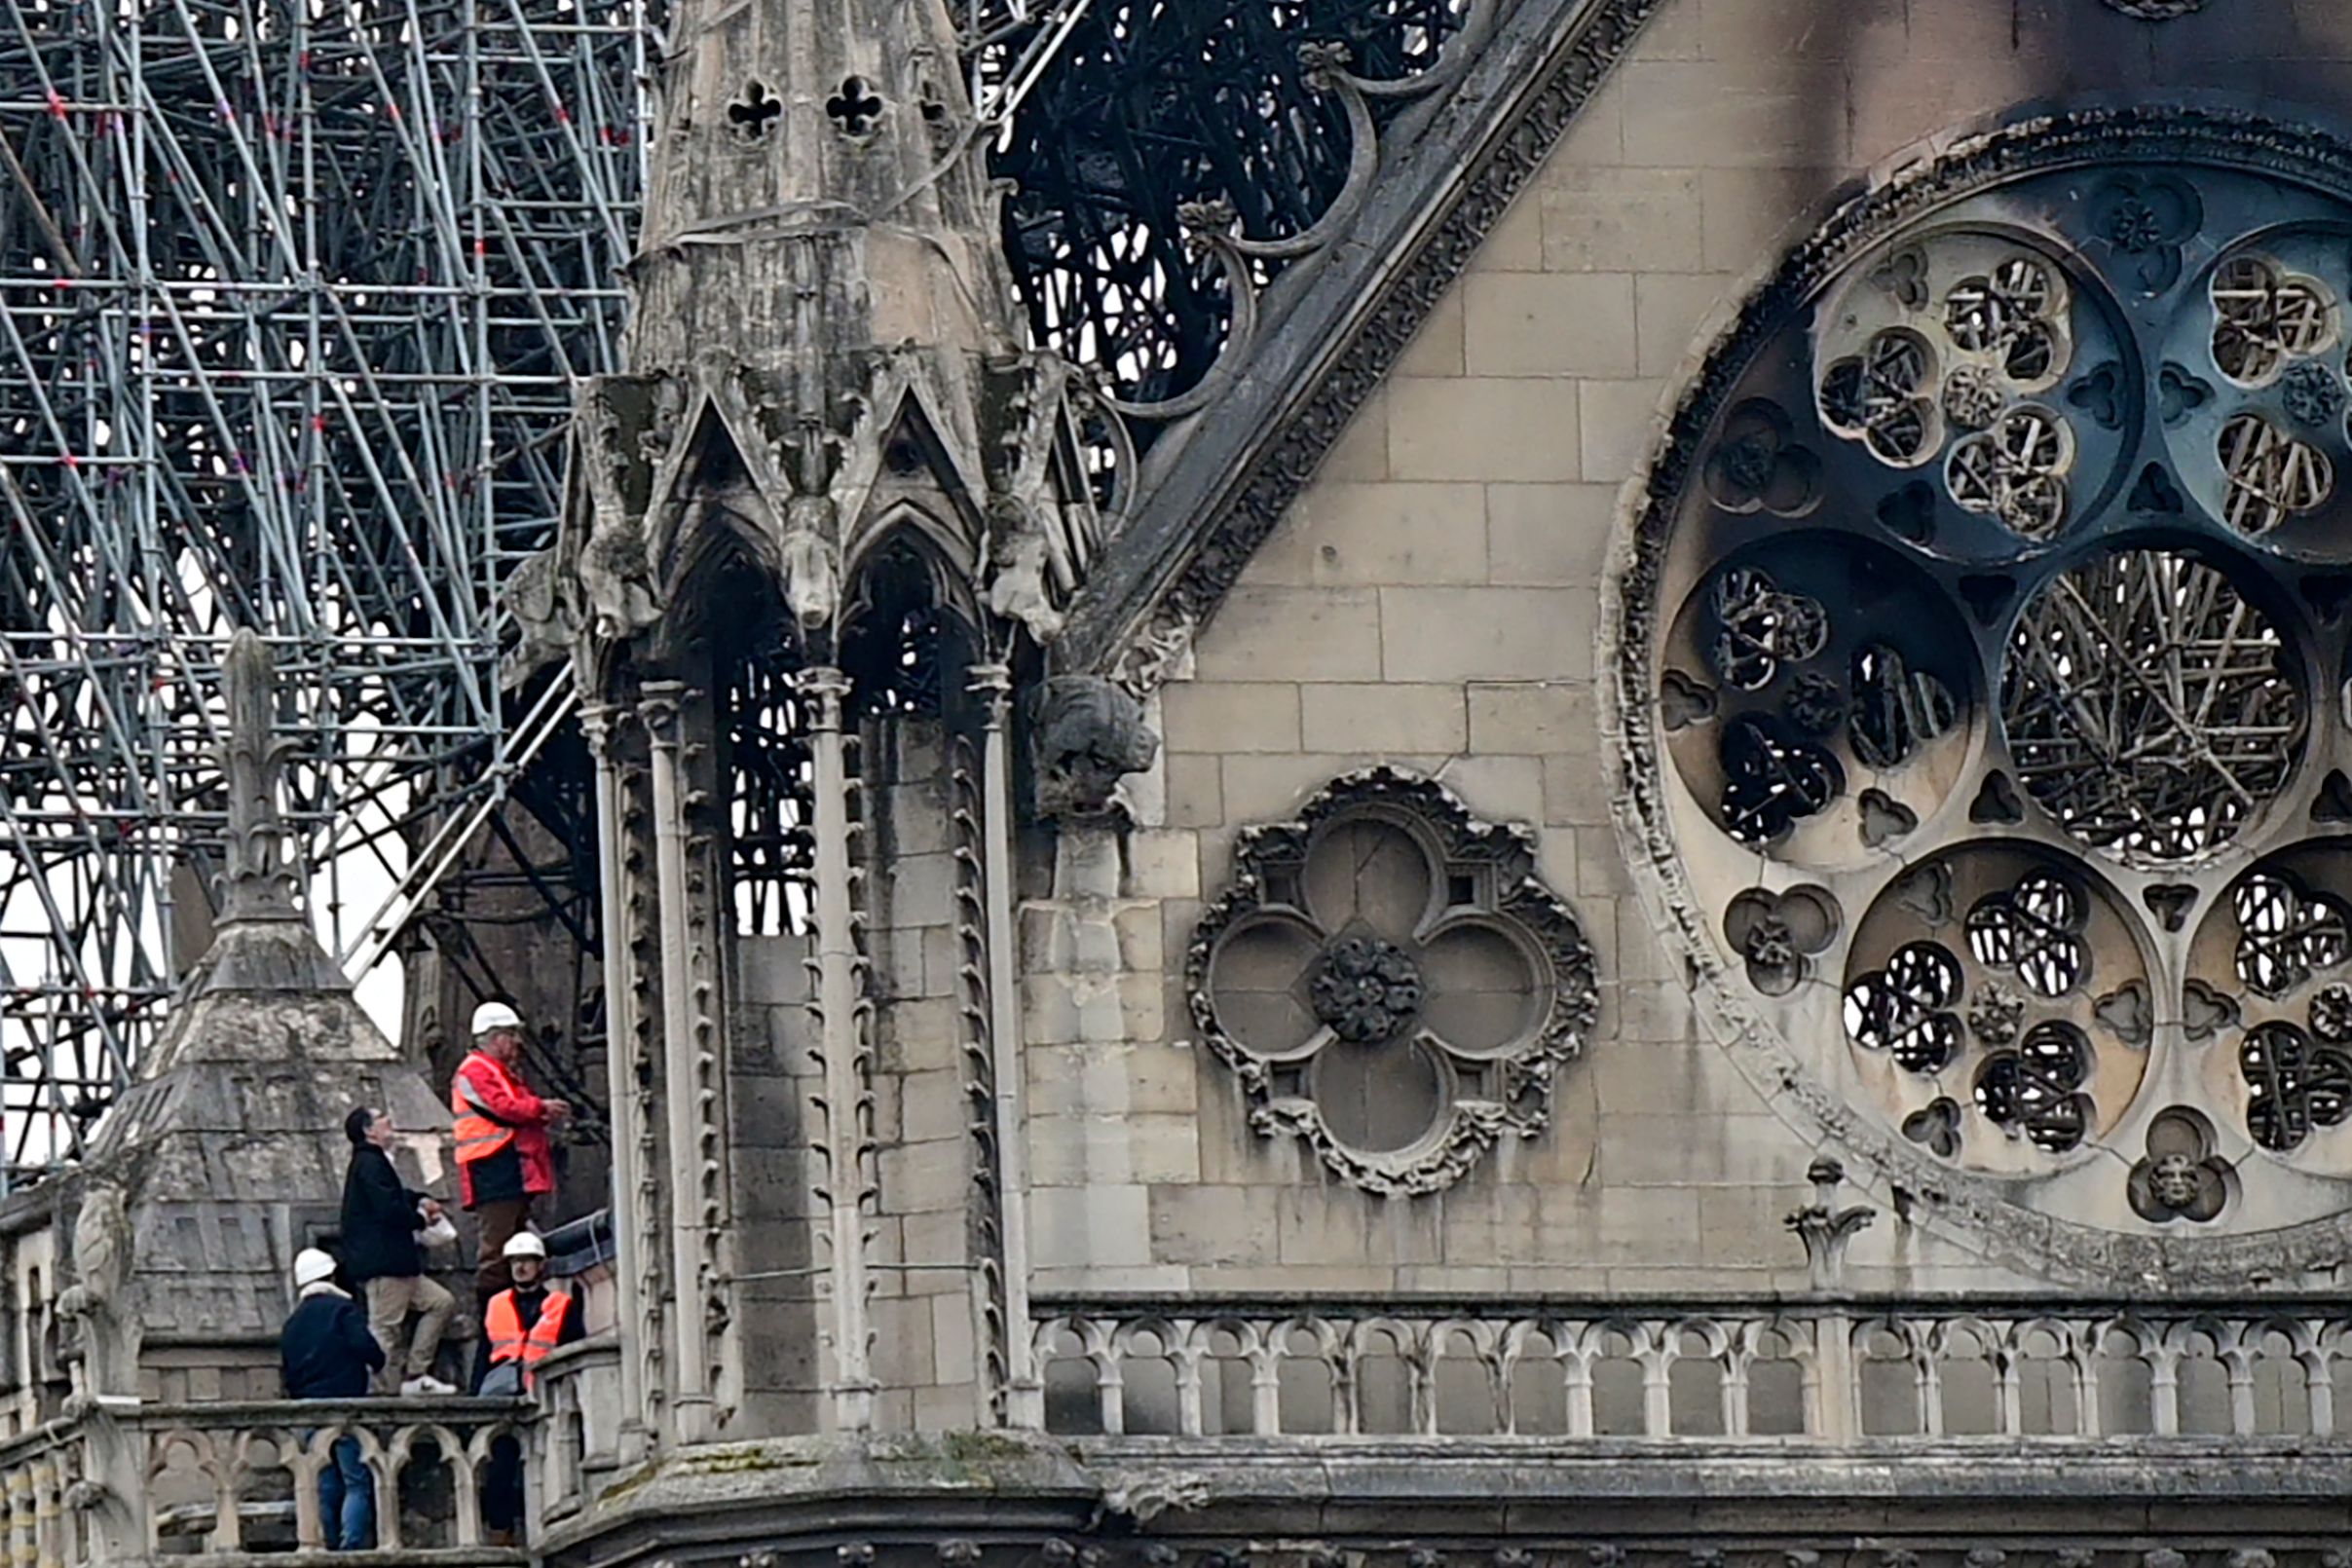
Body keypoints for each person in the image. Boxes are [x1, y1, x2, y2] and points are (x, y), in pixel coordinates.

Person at [450, 1001, 569, 1309]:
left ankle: (507, 1310)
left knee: (513, 1242)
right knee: (498, 1247)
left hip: (506, 1168)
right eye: (511, 1034)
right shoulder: (476, 1070)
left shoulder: (497, 1071)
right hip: (492, 1168)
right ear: (495, 1037)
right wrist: (542, 1108)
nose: (516, 1042)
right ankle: (490, 1316)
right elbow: (504, 1107)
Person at [339, 1106, 457, 1396]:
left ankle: (416, 1374)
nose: (389, 1121)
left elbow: (393, 1196)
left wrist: (419, 1198)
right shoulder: (369, 1163)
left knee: (440, 1302)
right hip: (385, 1265)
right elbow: (387, 1209)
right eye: (381, 1118)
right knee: (385, 1331)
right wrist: (420, 1219)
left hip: (398, 1264)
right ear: (369, 1131)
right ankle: (379, 1394)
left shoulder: (374, 1163)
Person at [475, 1232, 583, 1546]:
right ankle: (502, 1534)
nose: (521, 1268)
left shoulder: (561, 1304)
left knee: (550, 1465)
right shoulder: (496, 1304)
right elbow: (484, 1355)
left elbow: (574, 1348)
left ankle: (551, 1530)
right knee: (499, 1472)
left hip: (546, 1396)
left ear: (541, 1265)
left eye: (527, 1261)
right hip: (502, 1396)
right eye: (515, 1262)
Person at [280, 1248, 384, 1552]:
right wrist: (378, 1361)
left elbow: (287, 1370)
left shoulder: (293, 1323)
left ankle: (326, 1542)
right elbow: (364, 1345)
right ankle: (350, 1546)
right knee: (356, 1481)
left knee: (325, 1482)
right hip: (344, 1404)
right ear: (331, 1275)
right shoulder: (342, 1309)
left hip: (309, 1409)